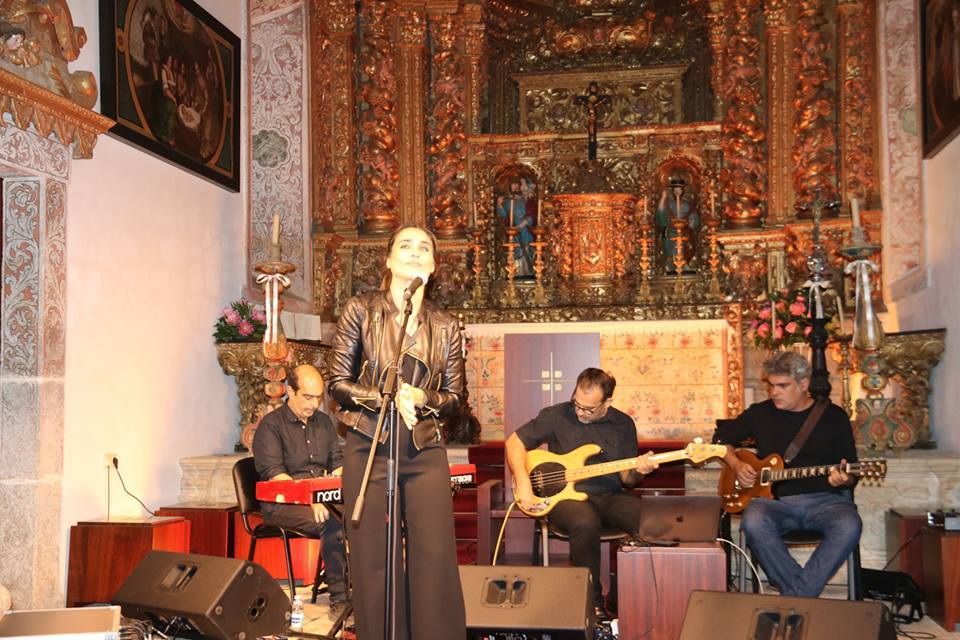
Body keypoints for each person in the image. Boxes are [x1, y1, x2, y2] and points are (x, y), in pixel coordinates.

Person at [327, 223, 466, 640]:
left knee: (434, 554)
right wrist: (384, 398)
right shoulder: (361, 310)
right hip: (369, 444)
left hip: (423, 450)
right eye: (405, 245)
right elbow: (337, 382)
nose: (415, 252)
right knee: (371, 557)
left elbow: (456, 398)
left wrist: (422, 398)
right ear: (388, 260)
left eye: (424, 247)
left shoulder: (446, 325)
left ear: (434, 265)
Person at [506, 367, 658, 615]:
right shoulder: (556, 416)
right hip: (564, 497)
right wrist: (522, 481)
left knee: (651, 522)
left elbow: (628, 479)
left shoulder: (623, 424)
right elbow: (515, 441)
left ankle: (620, 601)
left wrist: (642, 470)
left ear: (607, 401)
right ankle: (591, 605)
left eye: (588, 409)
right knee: (585, 522)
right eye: (577, 403)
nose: (579, 412)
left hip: (609, 495)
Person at [713, 351, 861, 597]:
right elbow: (720, 440)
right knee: (753, 520)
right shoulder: (759, 413)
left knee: (849, 524)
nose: (774, 393)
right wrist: (737, 464)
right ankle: (803, 594)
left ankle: (796, 596)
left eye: (783, 386)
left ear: (804, 384)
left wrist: (845, 478)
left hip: (826, 502)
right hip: (774, 503)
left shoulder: (834, 417)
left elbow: (851, 470)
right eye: (771, 386)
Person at [252, 364, 349, 619]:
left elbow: (336, 463)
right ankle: (341, 601)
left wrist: (336, 482)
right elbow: (276, 475)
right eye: (307, 396)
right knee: (333, 523)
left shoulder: (325, 423)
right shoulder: (271, 426)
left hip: (322, 500)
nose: (314, 403)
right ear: (290, 392)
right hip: (283, 504)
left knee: (358, 516)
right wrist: (311, 500)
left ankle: (364, 589)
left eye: (318, 397)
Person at [656, 177, 700, 272]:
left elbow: (694, 217)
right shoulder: (669, 204)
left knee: (688, 240)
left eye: (679, 189)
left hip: (685, 230)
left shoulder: (687, 205)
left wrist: (690, 224)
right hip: (671, 230)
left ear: (683, 190)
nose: (677, 191)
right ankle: (670, 263)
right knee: (665, 234)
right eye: (675, 189)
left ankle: (685, 263)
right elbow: (661, 213)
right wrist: (663, 198)